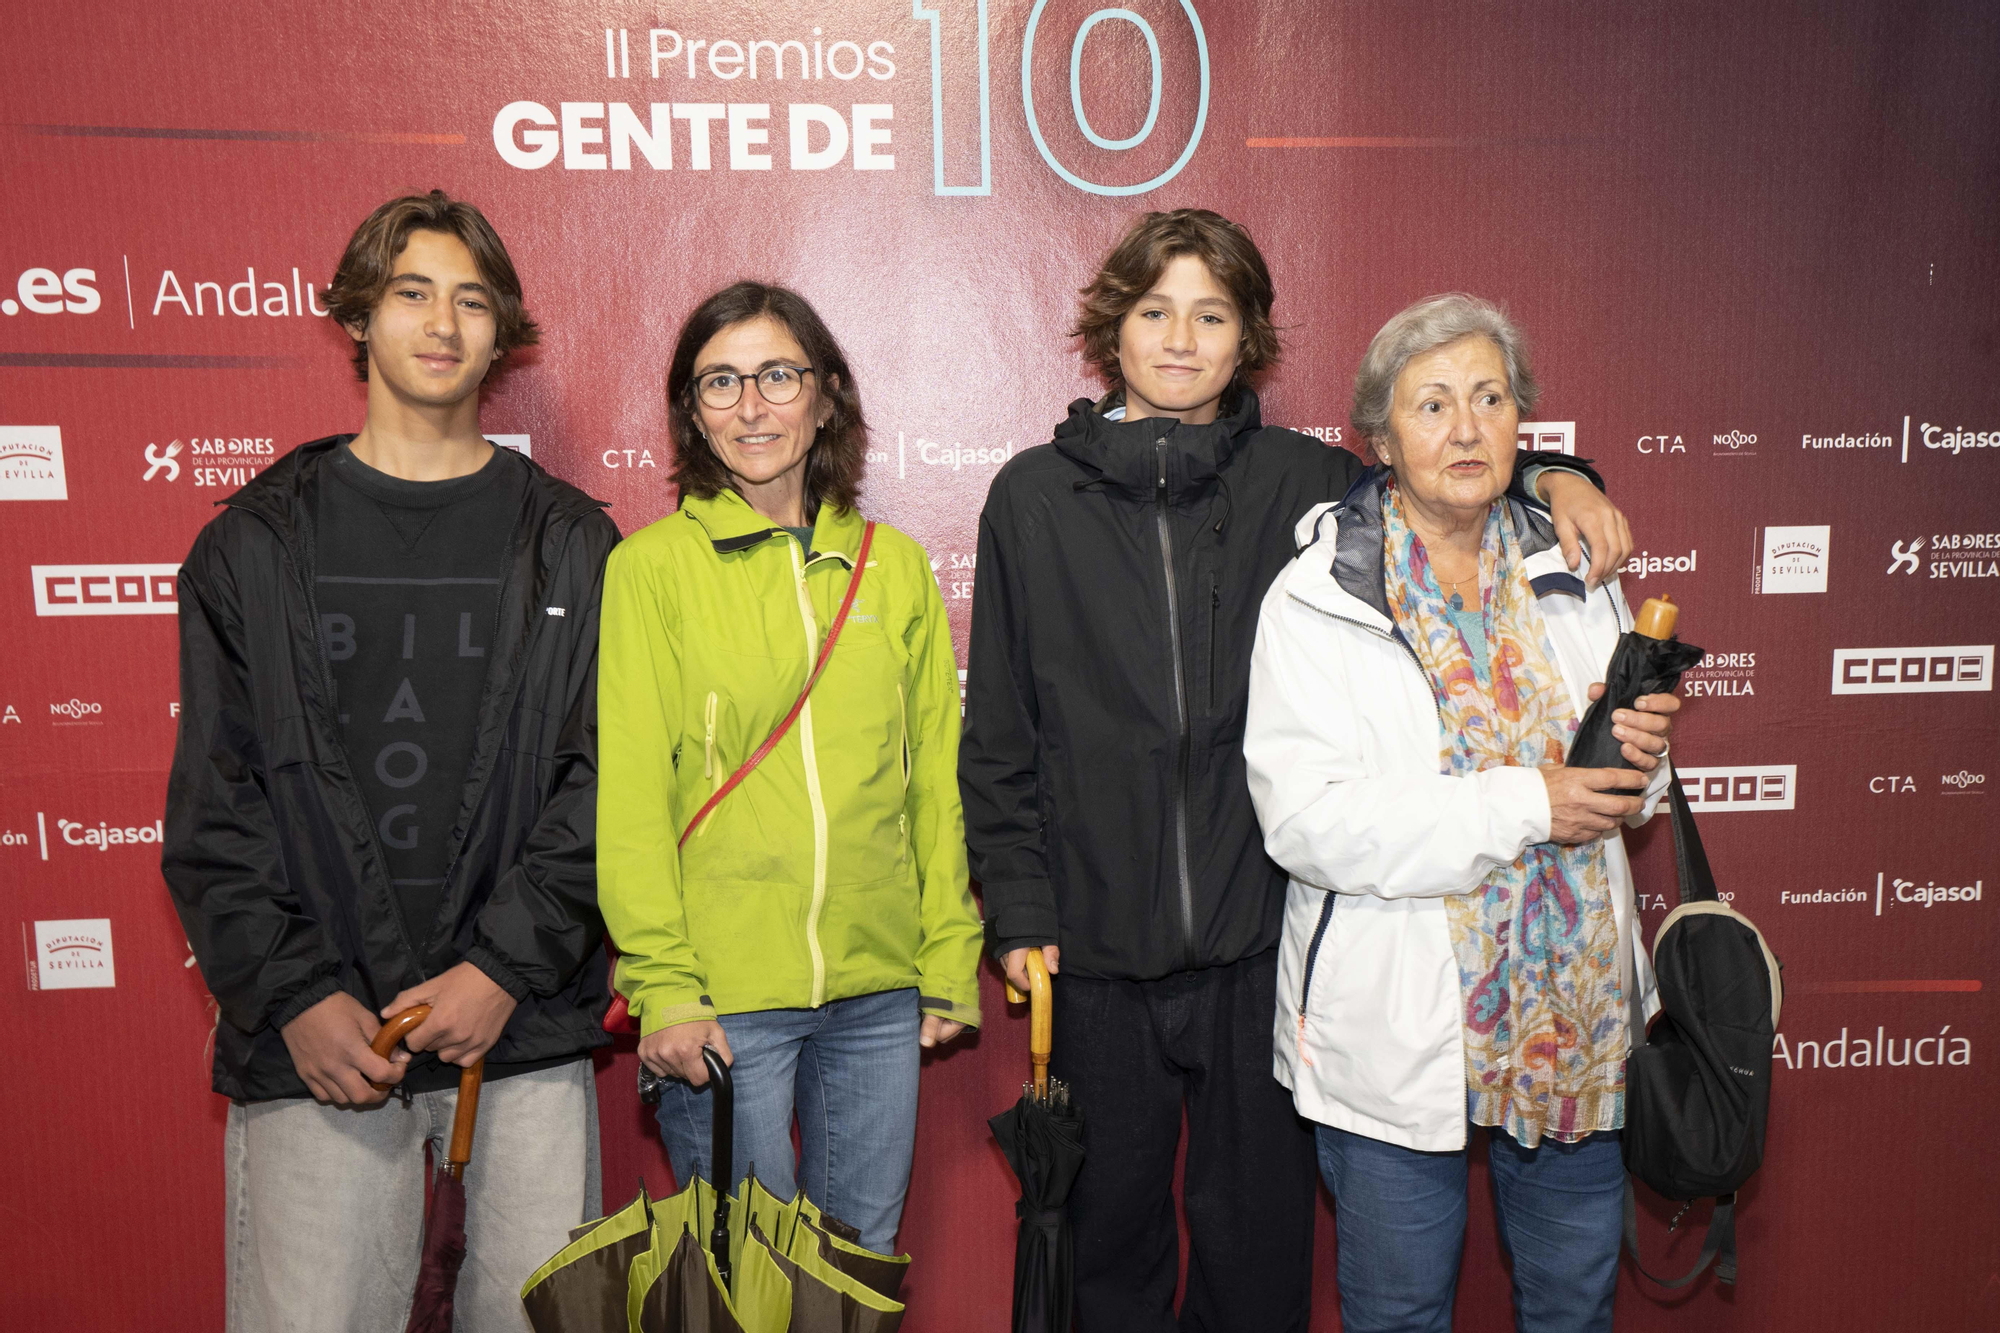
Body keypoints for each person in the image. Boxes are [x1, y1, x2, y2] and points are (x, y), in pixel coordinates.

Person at [959, 210, 1651, 1332]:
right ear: (1111, 328)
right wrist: (1021, 909)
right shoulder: (1030, 496)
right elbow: (999, 732)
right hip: (1091, 947)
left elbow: (1451, 467)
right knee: (1108, 1252)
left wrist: (1567, 478)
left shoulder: (1304, 482)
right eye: (1153, 313)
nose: (1180, 341)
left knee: (1256, 1258)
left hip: (1254, 942)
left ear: (1247, 341)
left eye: (1211, 315)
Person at [163, 190, 617, 1332]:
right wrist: (294, 994)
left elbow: (608, 786)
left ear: (501, 332)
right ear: (356, 316)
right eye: (411, 291)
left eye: (471, 300)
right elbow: (215, 803)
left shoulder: (571, 542)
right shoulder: (252, 544)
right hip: (319, 1037)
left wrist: (500, 970)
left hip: (518, 1023)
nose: (441, 323)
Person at [1245, 293, 1681, 1333]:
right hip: (1394, 1022)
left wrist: (1640, 765)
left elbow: (1629, 794)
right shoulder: (1316, 598)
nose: (1464, 427)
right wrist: (1527, 800)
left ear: (1520, 424)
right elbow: (1307, 822)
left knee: (1572, 1308)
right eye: (1430, 403)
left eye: (1488, 398)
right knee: (1397, 1314)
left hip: (1571, 1021)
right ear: (1379, 436)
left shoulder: (1575, 570)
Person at [597, 281, 982, 1255]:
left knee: (853, 1274)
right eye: (718, 382)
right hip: (725, 1004)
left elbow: (934, 781)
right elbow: (634, 796)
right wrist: (662, 986)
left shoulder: (891, 569)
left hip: (877, 993)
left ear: (825, 395)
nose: (751, 405)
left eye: (776, 374)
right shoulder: (650, 569)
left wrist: (945, 956)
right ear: (691, 410)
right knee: (747, 1289)